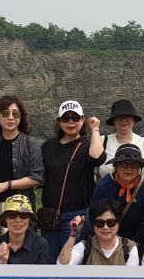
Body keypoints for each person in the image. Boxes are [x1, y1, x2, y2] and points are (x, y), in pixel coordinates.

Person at [38, 101, 106, 260]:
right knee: (50, 261)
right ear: (59, 122)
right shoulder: (48, 146)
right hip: (50, 216)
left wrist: (95, 129)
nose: (70, 122)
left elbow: (97, 158)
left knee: (71, 263)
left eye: (75, 118)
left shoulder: (86, 146)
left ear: (82, 120)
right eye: (66, 118)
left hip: (77, 215)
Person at [0, 95, 44, 250]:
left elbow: (37, 177)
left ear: (21, 117)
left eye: (16, 114)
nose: (10, 118)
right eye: (5, 113)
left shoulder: (30, 143)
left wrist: (6, 185)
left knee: (18, 250)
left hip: (18, 210)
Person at [90, 143, 144, 243]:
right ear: (116, 166)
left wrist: (134, 245)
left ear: (140, 168)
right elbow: (95, 217)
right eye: (124, 164)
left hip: (134, 241)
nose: (129, 168)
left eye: (134, 165)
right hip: (106, 240)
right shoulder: (103, 187)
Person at [58, 198, 140, 266]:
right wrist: (73, 235)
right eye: (99, 223)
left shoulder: (129, 248)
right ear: (93, 225)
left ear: (118, 223)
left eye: (110, 222)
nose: (105, 227)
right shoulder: (84, 247)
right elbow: (62, 267)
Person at [96, 99, 144, 180]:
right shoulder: (101, 142)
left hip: (141, 192)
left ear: (134, 120)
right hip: (106, 192)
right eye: (118, 117)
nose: (123, 120)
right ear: (113, 121)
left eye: (127, 116)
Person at [0, 193, 52, 264]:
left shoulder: (40, 244)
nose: (18, 220)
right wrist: (2, 261)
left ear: (30, 219)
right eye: (11, 215)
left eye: (24, 215)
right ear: (5, 219)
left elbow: (41, 274)